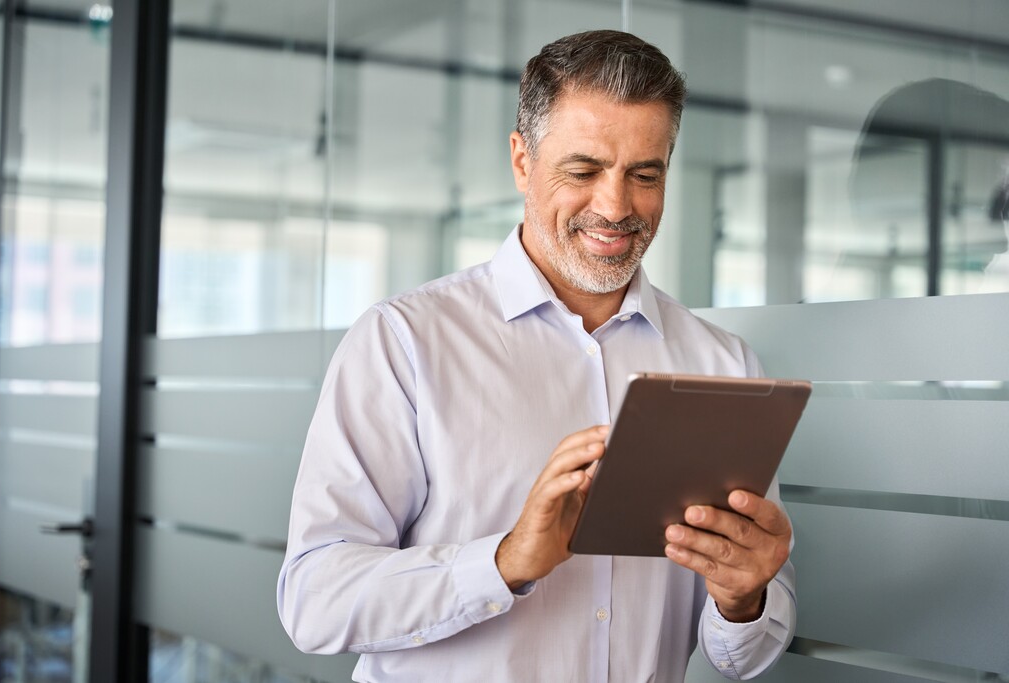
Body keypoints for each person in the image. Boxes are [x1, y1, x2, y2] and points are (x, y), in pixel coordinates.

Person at [277, 30, 796, 682]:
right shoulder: (404, 342)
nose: (615, 206)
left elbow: (741, 655)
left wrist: (744, 598)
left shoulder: (723, 367)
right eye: (583, 171)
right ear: (522, 161)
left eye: (645, 174)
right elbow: (314, 600)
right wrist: (503, 561)